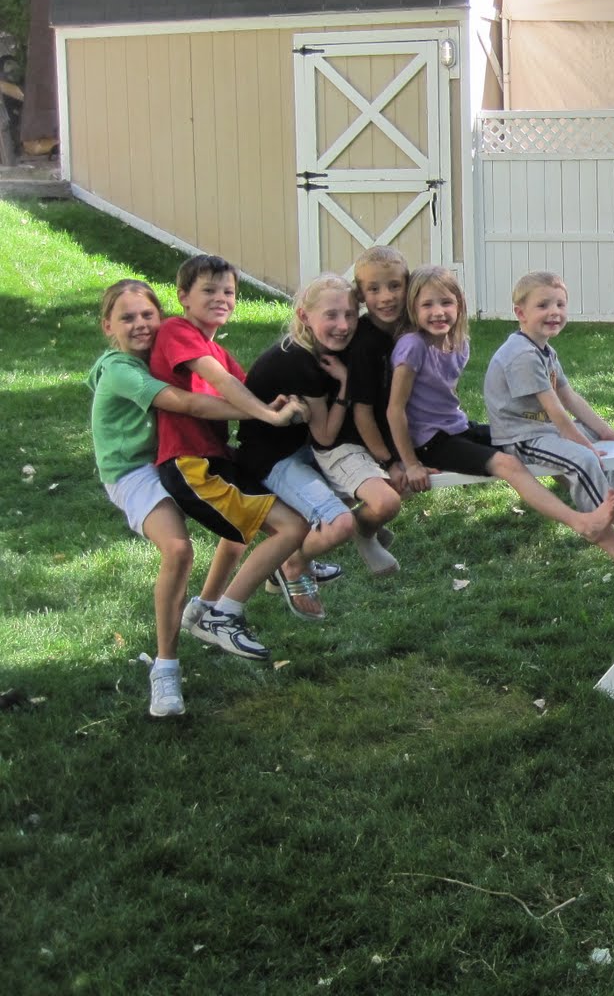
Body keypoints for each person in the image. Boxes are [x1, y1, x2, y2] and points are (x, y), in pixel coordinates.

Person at [89, 279, 303, 718]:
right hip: (132, 472)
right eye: (127, 317)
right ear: (107, 325)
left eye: (148, 314)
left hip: (170, 457)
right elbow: (188, 405)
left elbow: (224, 380)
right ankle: (165, 669)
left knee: (237, 525)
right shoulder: (121, 370)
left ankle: (204, 608)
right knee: (178, 549)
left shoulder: (165, 352)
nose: (140, 324)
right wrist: (261, 412)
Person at [385, 265, 614, 562]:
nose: (439, 312)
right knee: (509, 463)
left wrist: (605, 433)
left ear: (460, 305)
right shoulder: (412, 347)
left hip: (457, 428)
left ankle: (600, 500)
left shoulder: (456, 343)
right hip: (429, 442)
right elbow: (395, 409)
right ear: (412, 309)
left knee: (535, 443)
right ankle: (583, 522)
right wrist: (410, 463)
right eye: (427, 304)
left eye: (447, 303)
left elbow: (441, 397)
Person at [150, 255, 311, 659]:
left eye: (228, 292)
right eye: (209, 290)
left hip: (215, 458)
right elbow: (222, 384)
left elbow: (249, 389)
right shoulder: (177, 331)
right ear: (183, 297)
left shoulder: (214, 348)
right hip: (192, 464)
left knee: (240, 535)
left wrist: (289, 396)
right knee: (291, 527)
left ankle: (203, 607)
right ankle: (227, 613)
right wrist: (269, 415)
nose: (221, 298)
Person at [239, 275, 404, 619]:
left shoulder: (327, 349)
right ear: (303, 316)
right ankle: (293, 564)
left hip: (304, 449)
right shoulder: (298, 361)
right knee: (340, 523)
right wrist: (346, 383)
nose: (343, 325)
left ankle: (288, 559)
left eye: (349, 314)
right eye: (331, 315)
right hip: (272, 459)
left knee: (374, 489)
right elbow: (326, 436)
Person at [484, 271, 614, 566]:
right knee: (583, 459)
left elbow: (570, 397)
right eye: (543, 305)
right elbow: (557, 411)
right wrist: (586, 445)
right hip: (522, 437)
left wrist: (605, 432)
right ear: (520, 313)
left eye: (560, 304)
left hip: (545, 430)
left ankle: (609, 507)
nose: (554, 312)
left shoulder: (544, 350)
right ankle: (604, 535)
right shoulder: (522, 355)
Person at [345, 244, 412, 501]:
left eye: (395, 286)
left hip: (398, 426)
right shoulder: (363, 344)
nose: (386, 297)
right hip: (359, 437)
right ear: (360, 294)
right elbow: (361, 412)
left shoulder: (410, 329)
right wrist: (388, 461)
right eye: (374, 289)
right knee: (399, 488)